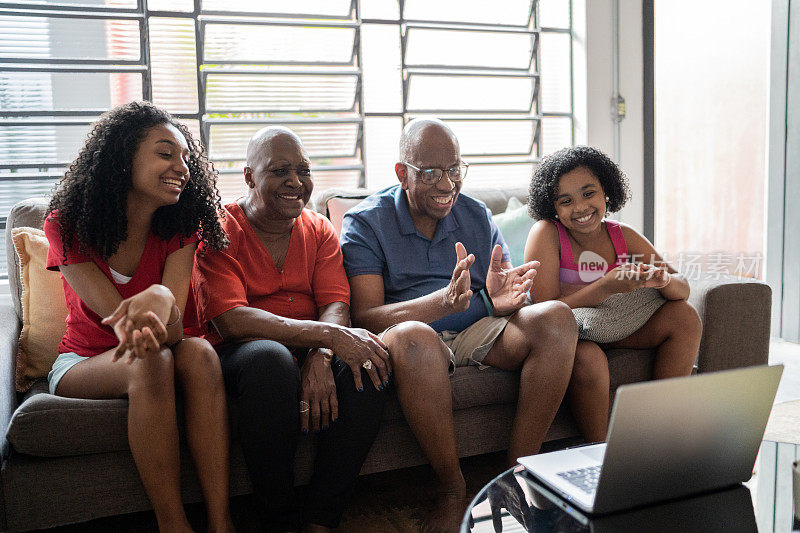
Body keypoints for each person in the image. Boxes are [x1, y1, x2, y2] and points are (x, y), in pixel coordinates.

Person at [340, 118, 580, 532]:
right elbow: (365, 317)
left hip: (476, 329)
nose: (446, 184)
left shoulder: (475, 214)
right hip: (411, 337)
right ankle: (452, 489)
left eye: (454, 170)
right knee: (415, 338)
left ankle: (515, 479)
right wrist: (442, 303)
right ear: (403, 173)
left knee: (556, 318)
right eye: (431, 172)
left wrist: (503, 299)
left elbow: (500, 291)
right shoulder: (366, 223)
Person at [44, 101, 233, 532]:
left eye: (186, 157)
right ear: (122, 157)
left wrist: (163, 296)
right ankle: (174, 525)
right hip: (86, 361)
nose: (181, 167)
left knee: (200, 352)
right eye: (166, 154)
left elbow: (168, 332)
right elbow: (128, 330)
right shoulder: (67, 225)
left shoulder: (182, 225)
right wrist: (155, 301)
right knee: (148, 360)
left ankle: (222, 523)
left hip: (157, 347)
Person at [192, 126, 390, 532]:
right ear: (249, 177)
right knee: (270, 359)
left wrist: (322, 354)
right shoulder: (217, 229)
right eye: (280, 171)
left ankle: (321, 519)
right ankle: (277, 520)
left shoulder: (318, 229)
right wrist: (327, 337)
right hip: (241, 353)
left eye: (303, 170)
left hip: (308, 346)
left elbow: (335, 303)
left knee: (367, 362)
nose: (296, 182)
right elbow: (232, 320)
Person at [524, 145, 702, 440]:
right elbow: (546, 311)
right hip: (568, 335)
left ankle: (660, 434)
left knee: (684, 316)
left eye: (588, 193)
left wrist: (661, 281)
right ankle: (602, 455)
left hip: (614, 326)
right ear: (552, 207)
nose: (580, 207)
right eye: (565, 200)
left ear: (606, 191)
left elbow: (682, 286)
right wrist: (605, 287)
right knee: (589, 359)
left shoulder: (623, 235)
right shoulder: (547, 234)